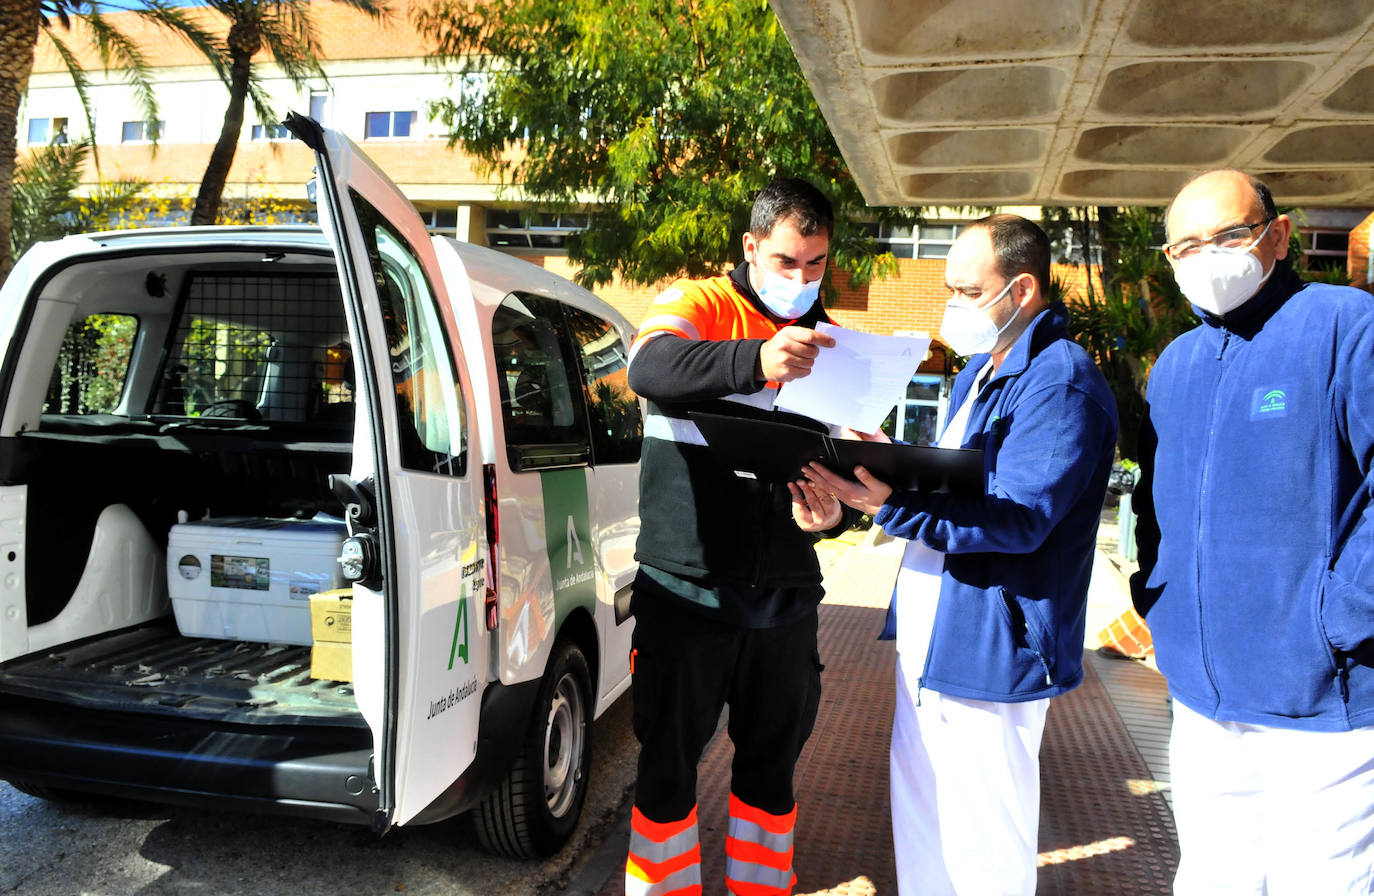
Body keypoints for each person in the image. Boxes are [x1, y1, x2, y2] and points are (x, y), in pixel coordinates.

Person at [805, 214, 1117, 895]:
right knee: (924, 829)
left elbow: (1020, 516)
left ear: (1023, 288)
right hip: (931, 640)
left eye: (967, 291)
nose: (953, 306)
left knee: (983, 850)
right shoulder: (980, 371)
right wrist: (878, 457)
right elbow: (956, 481)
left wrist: (887, 504)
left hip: (991, 647)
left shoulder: (1058, 384)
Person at [1130, 169, 1374, 894]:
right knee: (1212, 879)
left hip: (1321, 700)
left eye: (1229, 235)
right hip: (1204, 696)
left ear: (1280, 235)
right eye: (1185, 245)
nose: (1209, 256)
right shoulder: (1175, 365)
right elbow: (1155, 507)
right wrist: (1159, 600)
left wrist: (1341, 617)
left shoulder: (1345, 326)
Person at [623, 177, 859, 896]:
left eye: (815, 264)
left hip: (785, 597)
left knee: (771, 772)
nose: (802, 279)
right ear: (751, 247)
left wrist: (835, 516)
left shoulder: (834, 341)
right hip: (684, 588)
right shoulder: (697, 302)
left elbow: (847, 463)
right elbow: (647, 368)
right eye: (787, 261)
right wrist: (754, 361)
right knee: (667, 769)